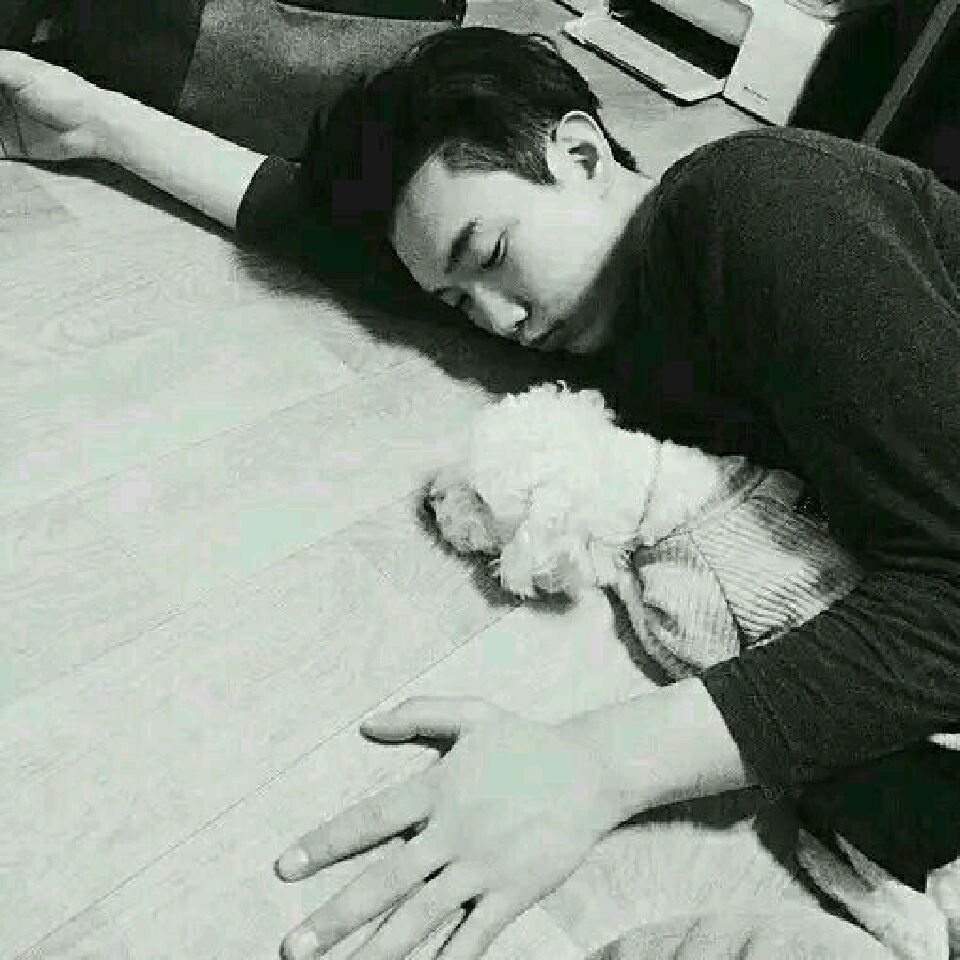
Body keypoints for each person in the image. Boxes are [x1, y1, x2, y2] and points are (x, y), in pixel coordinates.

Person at [2, 26, 958, 960]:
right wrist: (95, 122)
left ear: (582, 154)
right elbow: (312, 226)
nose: (497, 320)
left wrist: (594, 766)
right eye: (457, 299)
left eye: (490, 254)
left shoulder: (762, 203)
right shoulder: (599, 296)